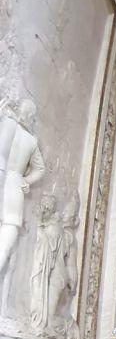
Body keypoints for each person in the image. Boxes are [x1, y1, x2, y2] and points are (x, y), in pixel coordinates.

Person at [0, 99, 46, 280]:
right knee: (8, 234)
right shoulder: (30, 140)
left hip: (4, 176)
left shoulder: (7, 123)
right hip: (15, 184)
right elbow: (40, 169)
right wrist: (26, 181)